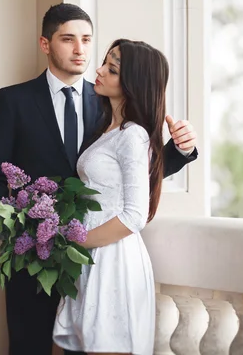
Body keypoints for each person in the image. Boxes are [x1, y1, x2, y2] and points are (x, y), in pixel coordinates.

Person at [0, 4, 198, 355]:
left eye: (86, 40)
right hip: (34, 263)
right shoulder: (13, 100)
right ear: (45, 44)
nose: (81, 50)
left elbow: (131, 178)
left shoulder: (109, 102)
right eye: (68, 39)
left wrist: (181, 150)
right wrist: (26, 241)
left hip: (94, 259)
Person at [53, 39, 168, 355]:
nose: (99, 70)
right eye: (104, 62)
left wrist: (76, 242)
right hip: (91, 257)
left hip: (113, 261)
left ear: (134, 83)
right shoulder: (109, 129)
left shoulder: (133, 136)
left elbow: (134, 215)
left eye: (112, 68)